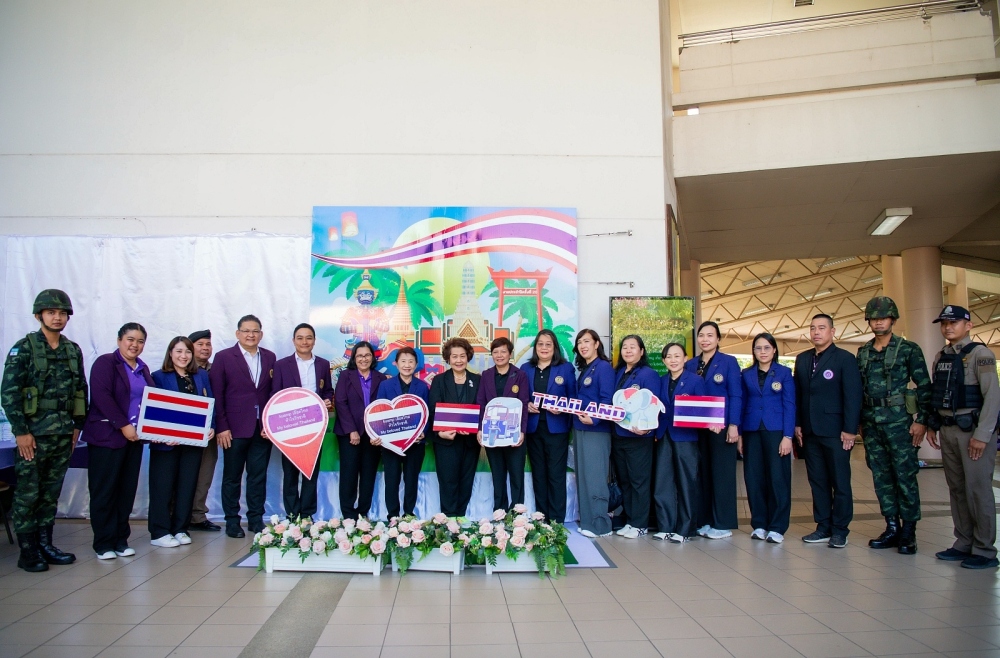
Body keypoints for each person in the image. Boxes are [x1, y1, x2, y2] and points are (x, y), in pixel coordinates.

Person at [1, 290, 88, 572]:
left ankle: (45, 545)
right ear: (39, 315)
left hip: (63, 434)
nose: (57, 317)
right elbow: (9, 393)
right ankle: (28, 552)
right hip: (33, 435)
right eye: (51, 312)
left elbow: (80, 389)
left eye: (62, 313)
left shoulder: (72, 350)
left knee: (51, 494)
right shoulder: (24, 348)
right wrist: (21, 432)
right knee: (28, 493)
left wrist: (77, 426)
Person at [857, 297, 933, 555]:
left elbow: (924, 386)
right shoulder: (864, 352)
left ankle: (909, 531)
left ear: (893, 320)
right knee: (881, 477)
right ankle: (891, 527)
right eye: (874, 318)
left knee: (905, 476)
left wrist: (922, 420)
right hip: (871, 424)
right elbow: (858, 389)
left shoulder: (908, 349)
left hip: (900, 424)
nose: (878, 322)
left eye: (883, 318)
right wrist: (859, 422)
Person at [926, 305, 1000, 569]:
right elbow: (938, 393)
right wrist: (933, 425)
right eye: (944, 323)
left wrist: (983, 435)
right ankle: (964, 542)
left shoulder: (981, 355)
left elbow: (993, 398)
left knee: (977, 489)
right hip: (948, 430)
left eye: (954, 322)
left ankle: (985, 550)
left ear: (968, 326)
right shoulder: (941, 356)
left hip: (973, 432)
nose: (948, 327)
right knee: (957, 488)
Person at [84, 323, 154, 559]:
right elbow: (102, 397)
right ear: (119, 340)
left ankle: (120, 540)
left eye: (140, 341)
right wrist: (123, 425)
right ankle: (103, 543)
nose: (135, 345)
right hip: (107, 437)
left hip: (134, 440)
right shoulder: (106, 363)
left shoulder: (143, 368)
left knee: (126, 491)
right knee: (104, 491)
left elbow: (153, 401)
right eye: (130, 339)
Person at [794, 314, 862, 548]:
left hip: (836, 431)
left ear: (832, 332)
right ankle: (823, 526)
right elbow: (799, 394)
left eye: (822, 328)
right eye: (813, 328)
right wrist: (798, 423)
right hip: (810, 431)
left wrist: (850, 430)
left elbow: (852, 396)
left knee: (840, 482)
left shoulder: (844, 358)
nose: (816, 332)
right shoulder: (802, 359)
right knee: (818, 481)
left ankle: (840, 530)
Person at [209, 314, 276, 538]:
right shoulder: (224, 357)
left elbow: (272, 393)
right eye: (246, 331)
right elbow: (217, 394)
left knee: (258, 476)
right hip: (233, 428)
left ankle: (256, 519)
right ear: (238, 333)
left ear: (261, 334)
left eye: (255, 331)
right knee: (232, 477)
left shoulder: (270, 357)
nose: (251, 335)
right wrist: (222, 426)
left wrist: (270, 424)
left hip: (262, 429)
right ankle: (232, 521)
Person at [148, 337, 214, 548]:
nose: (183, 356)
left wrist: (211, 426)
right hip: (166, 443)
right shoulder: (158, 377)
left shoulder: (201, 375)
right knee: (163, 487)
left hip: (192, 443)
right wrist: (159, 432)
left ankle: (180, 528)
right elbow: (152, 408)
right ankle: (160, 531)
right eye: (178, 351)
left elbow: (210, 402)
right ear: (170, 353)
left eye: (187, 352)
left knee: (187, 486)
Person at [684, 321, 742, 541]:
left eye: (710, 335)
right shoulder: (691, 364)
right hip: (698, 428)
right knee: (703, 474)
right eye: (701, 335)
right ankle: (706, 520)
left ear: (718, 339)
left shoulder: (728, 362)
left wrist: (734, 425)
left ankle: (723, 523)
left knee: (722, 474)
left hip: (721, 427)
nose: (705, 339)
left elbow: (736, 395)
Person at [270, 323, 334, 521]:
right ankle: (291, 515)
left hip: (315, 425)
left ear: (314, 340)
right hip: (290, 426)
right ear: (293, 341)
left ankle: (307, 515)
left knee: (310, 471)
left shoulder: (323, 364)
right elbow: (275, 395)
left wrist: (327, 400)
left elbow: (328, 390)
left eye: (308, 338)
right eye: (300, 338)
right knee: (290, 472)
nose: (304, 342)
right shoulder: (281, 365)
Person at [739, 333, 795, 544]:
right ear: (753, 351)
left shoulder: (784, 373)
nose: (762, 352)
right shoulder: (746, 374)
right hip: (752, 430)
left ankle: (777, 527)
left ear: (774, 350)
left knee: (778, 478)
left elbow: (790, 405)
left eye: (766, 348)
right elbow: (742, 404)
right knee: (754, 478)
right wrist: (740, 435)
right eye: (758, 348)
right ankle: (759, 524)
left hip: (776, 431)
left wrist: (788, 436)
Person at [522, 329, 577, 523]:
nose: (544, 348)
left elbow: (573, 399)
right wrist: (526, 404)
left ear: (555, 348)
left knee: (556, 474)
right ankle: (541, 518)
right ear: (535, 347)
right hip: (533, 428)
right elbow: (520, 397)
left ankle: (556, 520)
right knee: (539, 474)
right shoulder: (526, 369)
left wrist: (562, 408)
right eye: (540, 344)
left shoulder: (565, 368)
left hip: (557, 429)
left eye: (548, 344)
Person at [653, 343, 705, 543]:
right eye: (669, 356)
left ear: (685, 358)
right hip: (664, 435)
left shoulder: (696, 380)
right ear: (664, 360)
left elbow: (704, 408)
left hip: (686, 437)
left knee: (686, 482)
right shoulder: (661, 381)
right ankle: (665, 526)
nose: (673, 360)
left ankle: (686, 529)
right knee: (663, 482)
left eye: (677, 356)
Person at [612, 334, 660, 539]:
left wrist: (647, 428)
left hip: (639, 437)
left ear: (641, 351)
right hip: (619, 434)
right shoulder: (618, 373)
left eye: (633, 347)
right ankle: (630, 521)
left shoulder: (648, 374)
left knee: (639, 481)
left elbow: (653, 403)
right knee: (625, 480)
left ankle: (640, 524)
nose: (628, 350)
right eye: (625, 347)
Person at [427, 337, 481, 517]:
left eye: (462, 356)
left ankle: (461, 516)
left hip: (470, 441)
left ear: (468, 357)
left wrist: (475, 427)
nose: (459, 360)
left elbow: (482, 409)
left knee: (467, 480)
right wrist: (440, 433)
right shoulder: (439, 380)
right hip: (446, 441)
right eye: (454, 356)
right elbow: (433, 410)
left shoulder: (477, 380)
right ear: (448, 358)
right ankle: (449, 518)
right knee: (448, 480)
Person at [374, 347, 429, 519]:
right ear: (396, 364)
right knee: (392, 479)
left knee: (411, 479)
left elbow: (428, 413)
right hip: (390, 443)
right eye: (403, 361)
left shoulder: (422, 387)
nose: (407, 365)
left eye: (411, 361)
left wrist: (423, 432)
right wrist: (378, 434)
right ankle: (392, 515)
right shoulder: (385, 385)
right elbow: (378, 412)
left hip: (415, 443)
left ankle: (409, 514)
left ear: (416, 364)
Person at [477, 337, 530, 512]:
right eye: (495, 352)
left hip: (514, 433)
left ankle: (517, 513)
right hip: (492, 433)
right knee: (497, 475)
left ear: (510, 354)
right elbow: (481, 404)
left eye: (503, 351)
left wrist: (522, 431)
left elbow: (524, 404)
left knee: (516, 475)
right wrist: (480, 429)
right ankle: (499, 512)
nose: (499, 355)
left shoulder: (520, 375)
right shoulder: (486, 375)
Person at [334, 341, 386, 519]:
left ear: (373, 357)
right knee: (348, 474)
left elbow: (384, 406)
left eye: (367, 355)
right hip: (349, 434)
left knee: (368, 475)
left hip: (373, 435)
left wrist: (378, 432)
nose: (364, 359)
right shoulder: (345, 376)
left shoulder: (380, 378)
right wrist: (352, 430)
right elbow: (340, 403)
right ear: (354, 358)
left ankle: (363, 513)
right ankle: (348, 516)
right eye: (360, 356)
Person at [571, 329, 616, 538]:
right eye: (580, 342)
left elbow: (608, 399)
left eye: (587, 341)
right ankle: (588, 522)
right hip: (581, 428)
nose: (583, 346)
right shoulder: (586, 369)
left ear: (597, 344)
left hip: (596, 430)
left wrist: (595, 419)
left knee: (596, 477)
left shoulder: (603, 367)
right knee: (584, 477)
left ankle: (601, 525)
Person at [187, 329, 220, 532]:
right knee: (183, 474)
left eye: (208, 344)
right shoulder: (181, 368)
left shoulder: (216, 369)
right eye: (200, 344)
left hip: (210, 430)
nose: (205, 348)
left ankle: (197, 516)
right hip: (185, 430)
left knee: (204, 474)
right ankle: (176, 514)